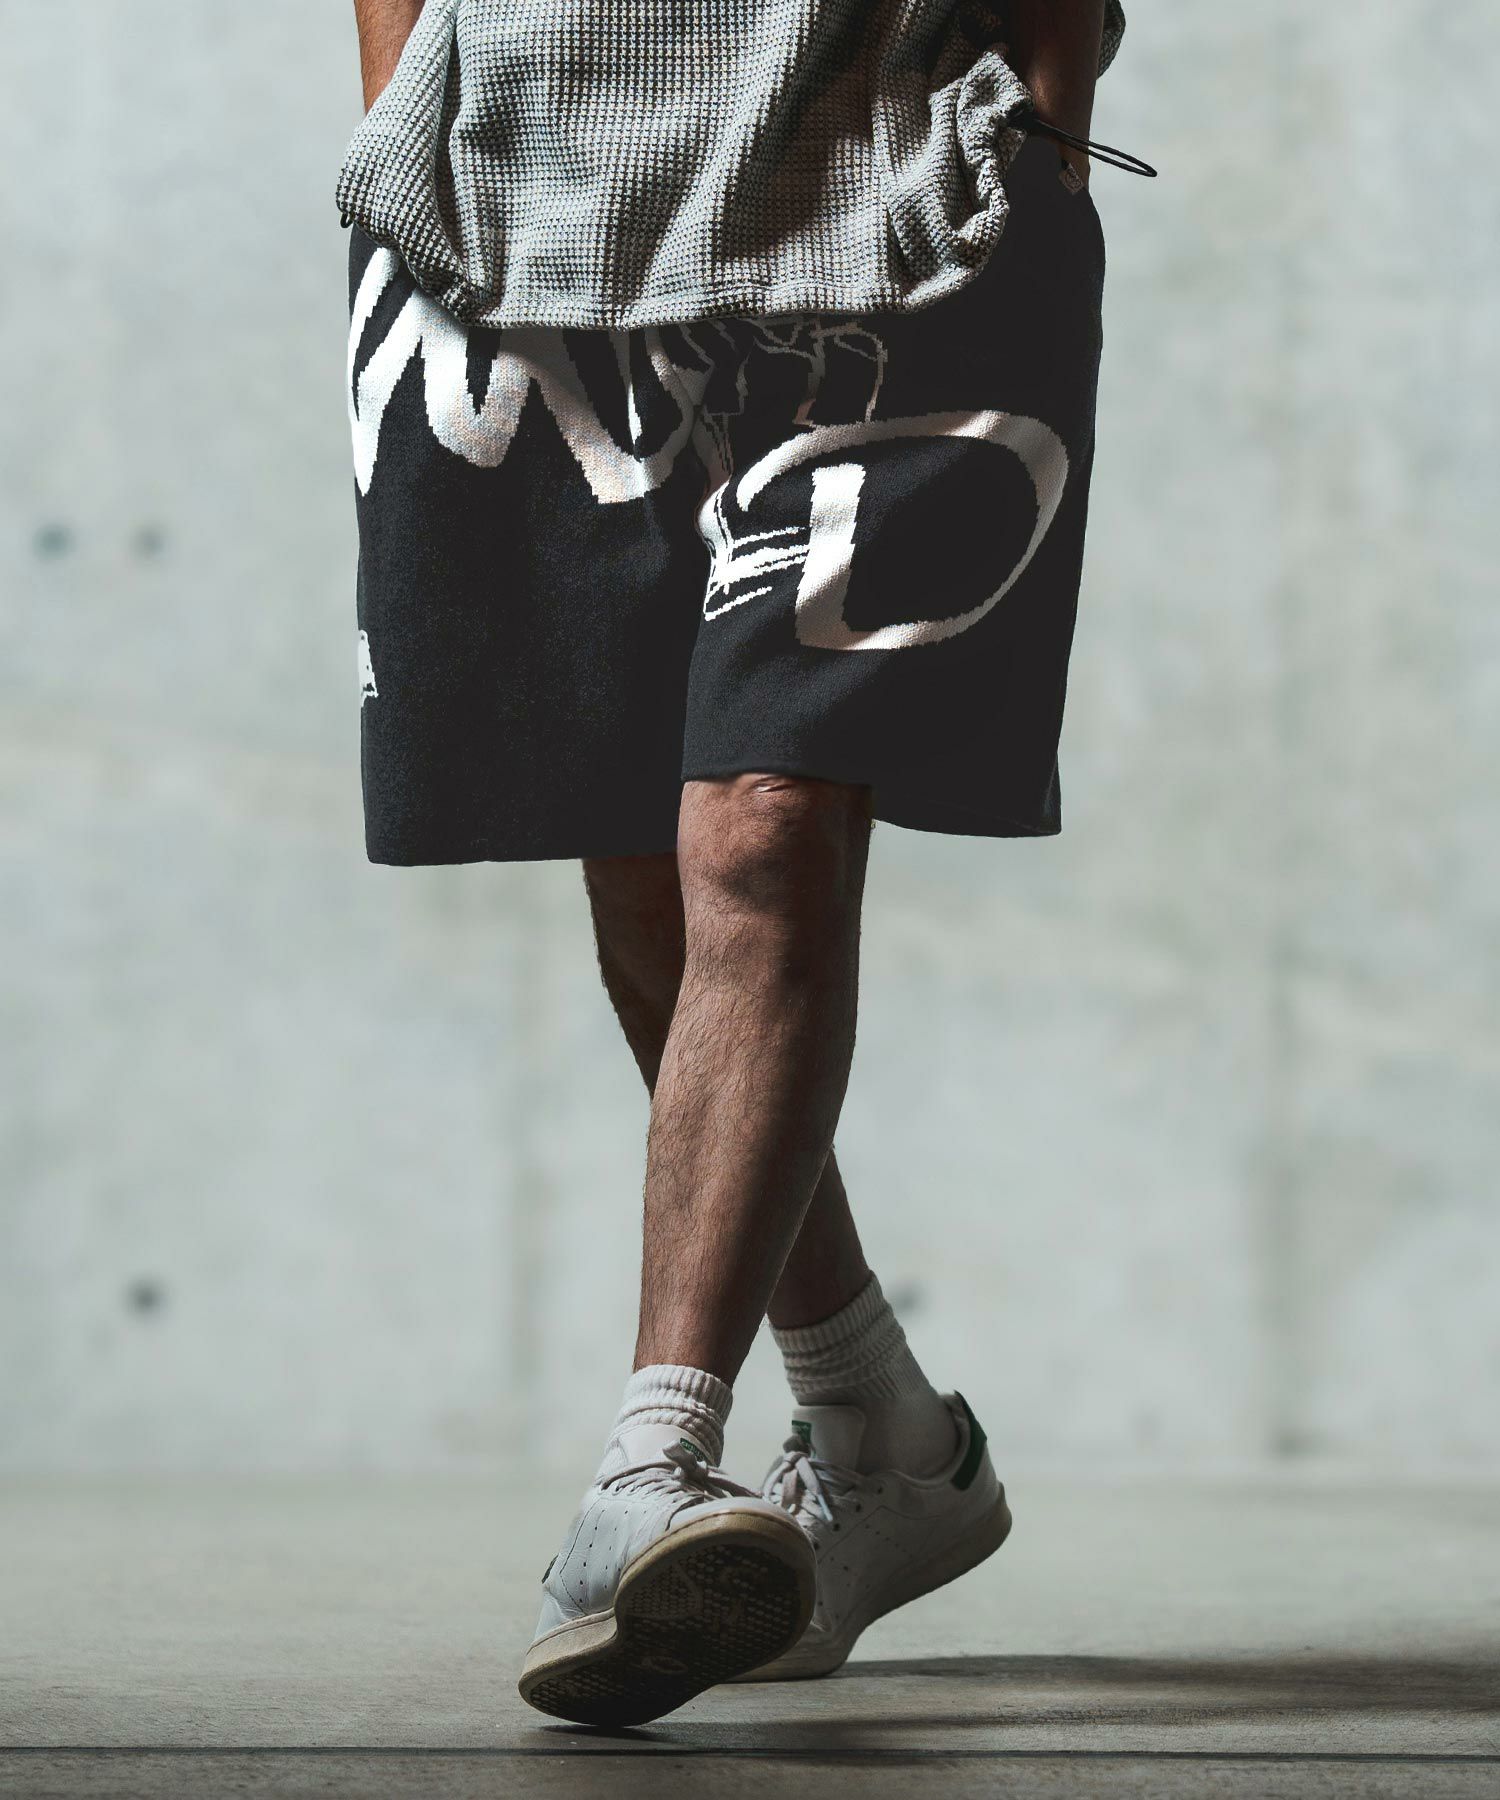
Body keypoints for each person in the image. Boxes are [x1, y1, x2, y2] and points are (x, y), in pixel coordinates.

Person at [341, 0, 1143, 1729]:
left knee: (764, 825)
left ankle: (649, 1464)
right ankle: (876, 1429)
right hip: (518, 202)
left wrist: (1050, 114)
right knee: (640, 858)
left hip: (907, 183)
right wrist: (406, 95)